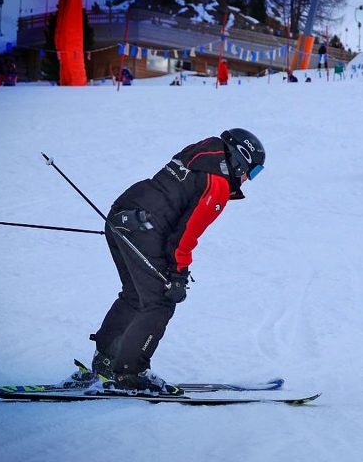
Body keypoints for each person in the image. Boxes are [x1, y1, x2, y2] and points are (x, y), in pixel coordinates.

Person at [67, 129, 266, 394]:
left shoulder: (199, 154)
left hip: (122, 216)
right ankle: (129, 374)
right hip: (145, 229)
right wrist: (179, 275)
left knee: (134, 295)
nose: (247, 179)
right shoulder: (216, 185)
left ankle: (106, 362)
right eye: (251, 172)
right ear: (240, 159)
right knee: (159, 301)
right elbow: (185, 236)